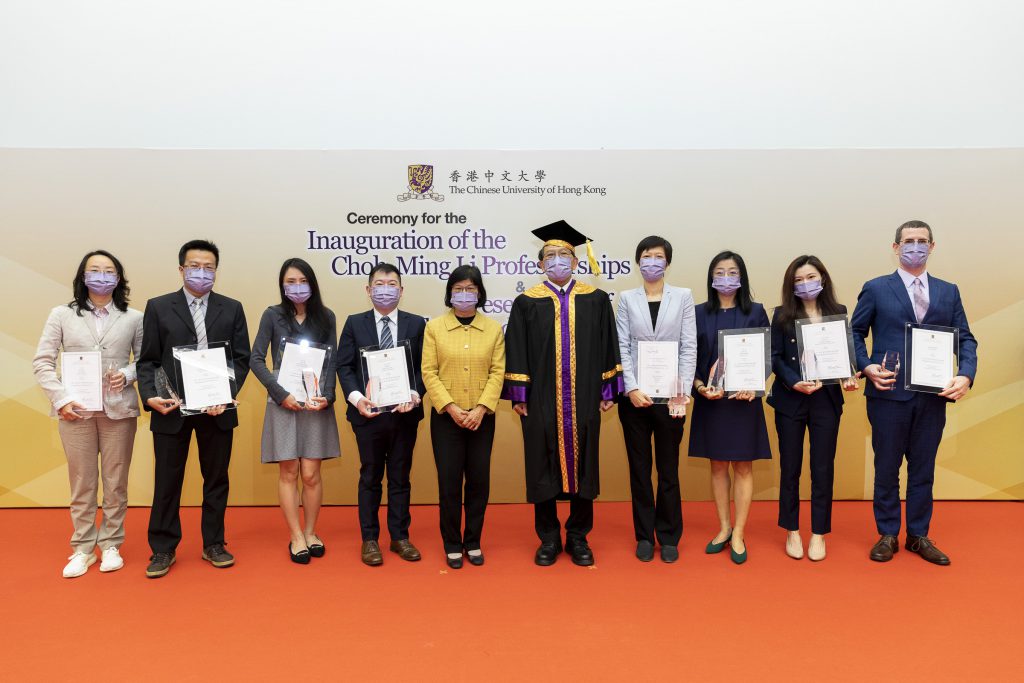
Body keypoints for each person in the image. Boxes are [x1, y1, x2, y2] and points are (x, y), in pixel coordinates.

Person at [851, 220, 977, 566]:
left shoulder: (948, 291)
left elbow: (964, 337)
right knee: (887, 467)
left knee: (923, 470)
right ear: (895, 247)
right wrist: (866, 366)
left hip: (932, 398)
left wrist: (966, 374)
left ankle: (918, 535)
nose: (915, 247)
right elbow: (855, 333)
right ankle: (888, 533)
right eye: (909, 241)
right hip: (888, 394)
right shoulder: (876, 288)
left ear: (932, 247)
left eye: (922, 241)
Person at [502, 220, 623, 567]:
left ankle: (579, 537)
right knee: (542, 463)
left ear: (575, 261)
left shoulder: (596, 299)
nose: (557, 261)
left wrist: (608, 388)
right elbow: (518, 349)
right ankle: (549, 538)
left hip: (585, 396)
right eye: (550, 256)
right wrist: (520, 395)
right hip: (541, 400)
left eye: (564, 255)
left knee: (584, 464)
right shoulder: (526, 302)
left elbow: (607, 345)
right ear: (540, 264)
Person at [136, 239, 251, 578]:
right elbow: (148, 361)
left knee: (216, 478)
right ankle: (162, 548)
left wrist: (224, 394)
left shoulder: (232, 308)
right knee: (167, 479)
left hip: (218, 409)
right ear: (181, 269)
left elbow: (240, 359)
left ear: (216, 270)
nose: (202, 272)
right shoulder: (158, 307)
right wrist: (151, 396)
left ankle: (214, 542)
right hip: (173, 409)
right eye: (195, 266)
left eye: (209, 267)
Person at [33, 250, 144, 578]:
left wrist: (126, 374)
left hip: (118, 410)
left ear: (119, 278)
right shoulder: (61, 315)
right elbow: (43, 361)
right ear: (83, 277)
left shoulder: (134, 317)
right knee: (82, 481)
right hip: (75, 412)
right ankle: (82, 547)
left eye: (109, 271)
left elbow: (146, 360)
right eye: (94, 270)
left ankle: (111, 543)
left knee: (116, 479)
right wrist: (62, 399)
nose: (102, 276)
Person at [767, 255, 859, 562]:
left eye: (810, 277)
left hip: (826, 401)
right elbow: (776, 357)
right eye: (798, 280)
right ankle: (792, 529)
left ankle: (818, 533)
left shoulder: (838, 312)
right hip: (791, 400)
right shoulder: (781, 314)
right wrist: (795, 382)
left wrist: (848, 376)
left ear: (823, 278)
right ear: (790, 286)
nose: (805, 284)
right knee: (790, 467)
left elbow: (846, 354)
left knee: (823, 468)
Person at [336, 263, 426, 566]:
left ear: (401, 290)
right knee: (370, 476)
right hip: (368, 415)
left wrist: (414, 395)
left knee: (401, 477)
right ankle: (370, 540)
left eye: (391, 284)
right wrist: (357, 398)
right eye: (379, 283)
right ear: (368, 289)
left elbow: (424, 369)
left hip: (404, 414)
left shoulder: (416, 324)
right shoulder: (354, 323)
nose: (385, 289)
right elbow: (344, 366)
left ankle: (400, 537)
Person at [251, 258, 339, 564]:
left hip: (315, 406)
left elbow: (331, 362)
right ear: (282, 285)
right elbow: (256, 359)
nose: (297, 287)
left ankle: (311, 531)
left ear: (312, 284)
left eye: (302, 281)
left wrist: (328, 396)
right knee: (288, 471)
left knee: (311, 474)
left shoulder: (326, 317)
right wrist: (280, 393)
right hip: (284, 404)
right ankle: (296, 536)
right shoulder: (272, 315)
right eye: (290, 281)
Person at [615, 236, 696, 563]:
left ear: (667, 263)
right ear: (638, 262)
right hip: (634, 399)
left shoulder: (683, 297)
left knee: (668, 469)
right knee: (639, 469)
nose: (651, 262)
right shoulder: (626, 298)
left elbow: (689, 346)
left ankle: (669, 535)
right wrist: (631, 388)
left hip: (671, 398)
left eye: (657, 257)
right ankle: (644, 536)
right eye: (646, 257)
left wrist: (682, 391)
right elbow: (622, 345)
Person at [688, 251, 771, 565]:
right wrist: (697, 387)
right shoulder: (697, 313)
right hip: (711, 401)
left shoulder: (757, 312)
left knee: (744, 468)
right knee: (718, 466)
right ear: (711, 277)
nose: (725, 277)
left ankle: (739, 531)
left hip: (744, 402)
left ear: (741, 277)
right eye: (719, 272)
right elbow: (691, 358)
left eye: (732, 271)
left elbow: (766, 357)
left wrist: (755, 382)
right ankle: (723, 527)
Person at [421, 265, 505, 569]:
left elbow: (498, 371)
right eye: (458, 289)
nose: (464, 294)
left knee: (479, 482)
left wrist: (481, 408)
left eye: (471, 289)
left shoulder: (493, 329)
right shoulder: (434, 328)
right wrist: (452, 408)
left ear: (479, 293)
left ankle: (473, 541)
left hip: (482, 418)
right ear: (449, 292)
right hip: (447, 418)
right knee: (449, 482)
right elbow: (428, 372)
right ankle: (452, 543)